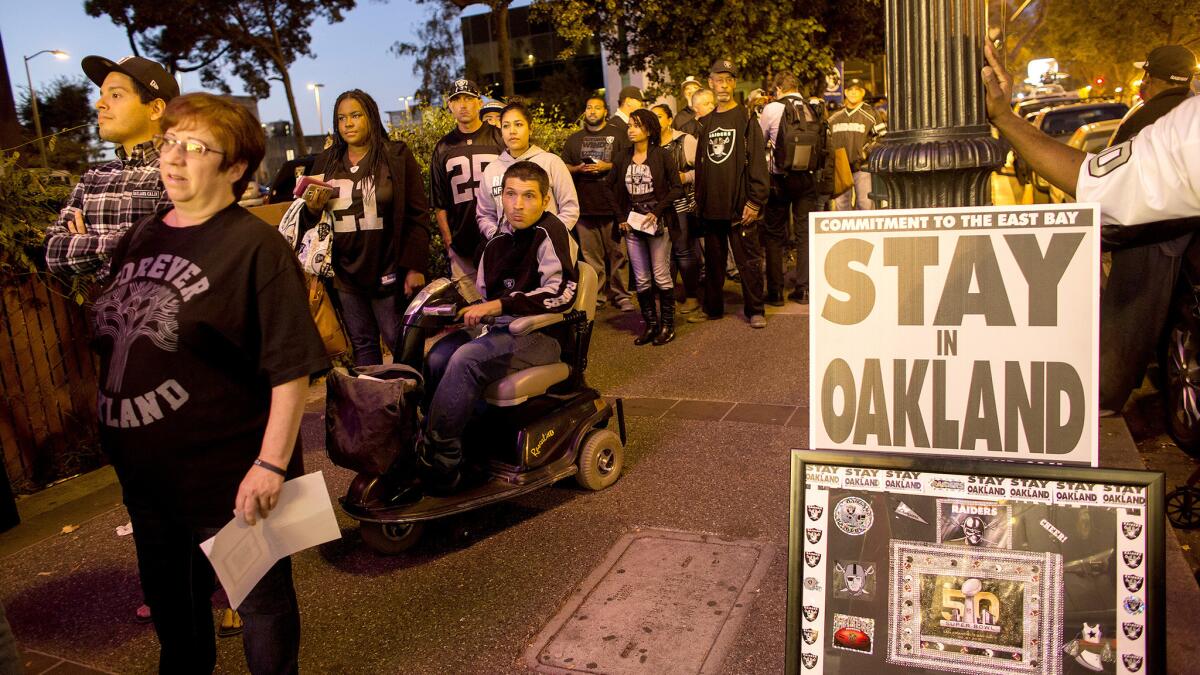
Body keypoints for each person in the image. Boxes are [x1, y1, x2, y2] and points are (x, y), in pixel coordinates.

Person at [91, 92, 329, 673]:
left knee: (262, 613)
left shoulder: (255, 248)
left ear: (235, 166)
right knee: (179, 624)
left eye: (194, 147)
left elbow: (290, 365)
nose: (172, 158)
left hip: (230, 483)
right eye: (168, 142)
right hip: (149, 485)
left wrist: (271, 465)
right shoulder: (141, 236)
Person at [418, 161, 579, 492]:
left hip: (540, 334)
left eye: (529, 196)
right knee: (437, 356)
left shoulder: (551, 233)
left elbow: (561, 293)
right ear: (500, 197)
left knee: (467, 359)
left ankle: (442, 460)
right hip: (500, 330)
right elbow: (485, 297)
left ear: (545, 199)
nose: (518, 205)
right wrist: (462, 311)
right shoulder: (496, 241)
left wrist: (502, 306)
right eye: (510, 195)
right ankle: (454, 439)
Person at [981, 40, 1200, 225]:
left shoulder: (1182, 124)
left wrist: (1004, 117)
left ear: (1149, 78)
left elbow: (1100, 184)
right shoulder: (1185, 120)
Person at [286, 89, 431, 367]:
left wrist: (415, 267)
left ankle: (417, 404)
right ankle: (377, 407)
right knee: (364, 347)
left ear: (371, 118)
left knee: (400, 343)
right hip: (344, 275)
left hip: (387, 269)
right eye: (341, 118)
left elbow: (417, 214)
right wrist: (312, 208)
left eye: (355, 116)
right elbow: (308, 222)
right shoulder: (326, 161)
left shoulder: (396, 156)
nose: (348, 124)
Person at [1096, 45, 1197, 414]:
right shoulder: (1187, 111)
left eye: (1146, 77)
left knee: (1128, 318)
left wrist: (1106, 235)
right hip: (1180, 232)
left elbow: (1117, 182)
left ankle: (1105, 400)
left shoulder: (1148, 117)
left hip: (1150, 234)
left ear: (1153, 80)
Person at [44, 55, 178, 276]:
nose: (99, 104)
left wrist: (87, 242)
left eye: (115, 95)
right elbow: (53, 252)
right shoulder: (92, 178)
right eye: (101, 95)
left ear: (155, 109)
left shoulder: (181, 171)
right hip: (107, 310)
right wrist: (132, 240)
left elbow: (172, 250)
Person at [693, 58, 770, 328]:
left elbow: (759, 163)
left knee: (748, 261)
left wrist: (755, 201)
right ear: (710, 83)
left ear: (733, 83)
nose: (723, 85)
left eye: (728, 80)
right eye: (718, 80)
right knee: (713, 263)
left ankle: (755, 310)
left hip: (740, 206)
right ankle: (712, 308)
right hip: (713, 205)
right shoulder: (707, 121)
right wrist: (700, 202)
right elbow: (702, 167)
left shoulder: (746, 120)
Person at [609, 109, 684, 345]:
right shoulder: (622, 157)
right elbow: (608, 188)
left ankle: (667, 326)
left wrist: (657, 211)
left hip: (657, 223)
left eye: (636, 125)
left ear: (649, 130)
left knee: (661, 275)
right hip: (632, 226)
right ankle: (651, 325)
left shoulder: (662, 155)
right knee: (641, 279)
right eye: (629, 125)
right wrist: (620, 216)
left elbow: (676, 188)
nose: (630, 129)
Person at [561, 95, 634, 311]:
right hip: (585, 208)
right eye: (589, 107)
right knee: (592, 258)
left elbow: (630, 162)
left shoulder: (619, 135)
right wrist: (577, 169)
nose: (592, 111)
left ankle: (622, 296)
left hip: (614, 208)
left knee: (619, 255)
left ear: (605, 112)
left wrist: (607, 166)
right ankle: (598, 296)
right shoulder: (574, 139)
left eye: (597, 108)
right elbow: (562, 166)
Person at [431, 80, 504, 288]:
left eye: (468, 99)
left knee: (503, 304)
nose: (463, 105)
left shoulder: (498, 137)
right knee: (470, 310)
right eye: (457, 100)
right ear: (450, 106)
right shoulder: (443, 147)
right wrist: (448, 241)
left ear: (479, 103)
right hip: (462, 242)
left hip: (501, 237)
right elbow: (439, 201)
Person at [759, 71, 823, 305]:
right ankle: (804, 288)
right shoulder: (813, 106)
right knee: (804, 233)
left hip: (780, 178)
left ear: (778, 89)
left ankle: (775, 292)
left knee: (774, 234)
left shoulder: (772, 109)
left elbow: (760, 139)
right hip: (807, 178)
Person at [478, 101, 580, 239]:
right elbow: (485, 214)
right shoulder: (491, 170)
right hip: (508, 250)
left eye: (518, 124)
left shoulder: (551, 162)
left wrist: (548, 237)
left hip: (546, 249)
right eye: (506, 126)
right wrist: (497, 237)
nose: (512, 131)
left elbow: (570, 208)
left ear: (530, 128)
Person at [651, 103, 702, 315]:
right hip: (657, 207)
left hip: (682, 204)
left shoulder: (684, 140)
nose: (656, 122)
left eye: (660, 117)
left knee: (683, 251)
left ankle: (692, 296)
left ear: (670, 119)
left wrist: (685, 177)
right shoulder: (649, 144)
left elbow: (703, 169)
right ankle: (667, 298)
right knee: (664, 255)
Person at [827, 78, 884, 210]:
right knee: (842, 207)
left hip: (862, 167)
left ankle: (865, 232)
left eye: (857, 90)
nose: (853, 93)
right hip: (841, 168)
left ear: (862, 92)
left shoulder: (871, 114)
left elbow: (882, 137)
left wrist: (866, 152)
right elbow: (827, 139)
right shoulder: (835, 117)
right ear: (845, 92)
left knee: (865, 205)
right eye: (850, 90)